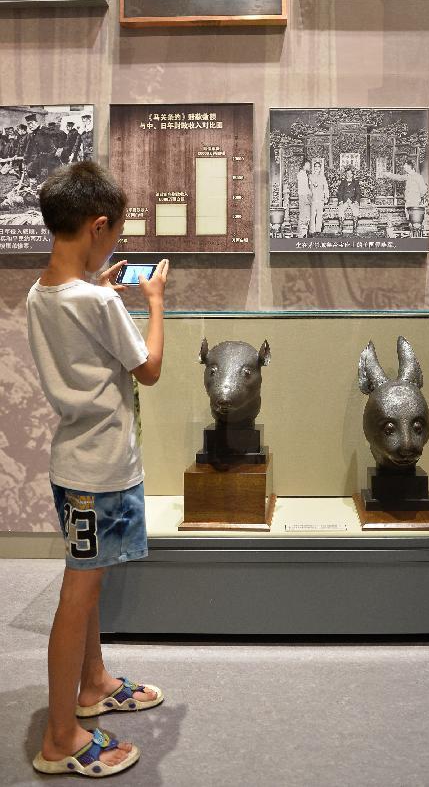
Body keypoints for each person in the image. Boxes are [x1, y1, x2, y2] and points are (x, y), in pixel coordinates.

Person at [27, 161, 169, 778]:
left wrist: (103, 290)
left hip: (73, 465)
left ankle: (93, 682)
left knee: (86, 584)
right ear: (99, 225)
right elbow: (151, 368)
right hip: (99, 473)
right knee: (77, 594)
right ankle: (60, 737)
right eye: (113, 234)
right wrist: (154, 303)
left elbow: (80, 322)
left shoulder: (44, 291)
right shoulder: (97, 300)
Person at [337, 167, 361, 234]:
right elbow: (339, 192)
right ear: (345, 174)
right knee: (341, 209)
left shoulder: (356, 182)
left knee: (356, 209)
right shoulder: (343, 182)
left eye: (350, 173)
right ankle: (341, 227)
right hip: (344, 200)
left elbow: (358, 193)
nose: (348, 175)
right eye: (347, 173)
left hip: (352, 200)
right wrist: (340, 201)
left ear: (353, 174)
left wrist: (356, 201)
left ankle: (355, 228)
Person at [309, 161, 329, 235]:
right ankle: (312, 230)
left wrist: (326, 196)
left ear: (320, 168)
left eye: (318, 167)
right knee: (312, 214)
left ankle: (318, 230)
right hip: (313, 198)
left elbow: (326, 187)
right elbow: (309, 187)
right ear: (313, 168)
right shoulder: (311, 176)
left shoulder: (323, 177)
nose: (317, 168)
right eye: (315, 167)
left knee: (319, 215)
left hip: (320, 198)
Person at [296, 160, 311, 238]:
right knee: (303, 213)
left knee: (305, 213)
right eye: (308, 165)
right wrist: (307, 196)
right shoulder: (301, 174)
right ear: (304, 166)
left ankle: (303, 232)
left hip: (305, 195)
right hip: (303, 195)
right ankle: (301, 233)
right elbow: (303, 187)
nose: (309, 166)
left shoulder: (304, 174)